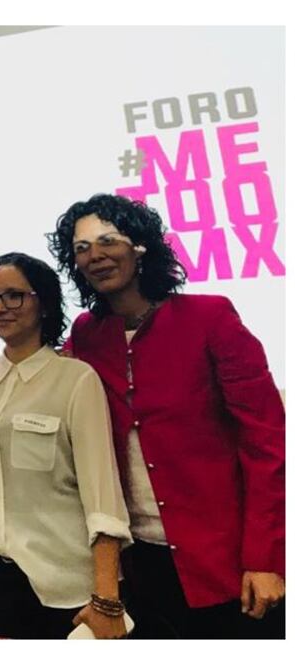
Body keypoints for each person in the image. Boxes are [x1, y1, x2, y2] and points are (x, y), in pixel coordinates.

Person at [48, 193, 285, 638]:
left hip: (226, 564)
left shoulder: (210, 316)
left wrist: (266, 559)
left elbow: (266, 441)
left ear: (141, 248)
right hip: (139, 568)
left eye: (108, 240)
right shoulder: (87, 334)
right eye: (82, 248)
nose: (95, 256)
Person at [0, 252, 132, 639]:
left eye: (13, 296)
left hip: (63, 583)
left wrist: (107, 595)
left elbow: (102, 494)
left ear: (43, 303)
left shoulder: (75, 378)